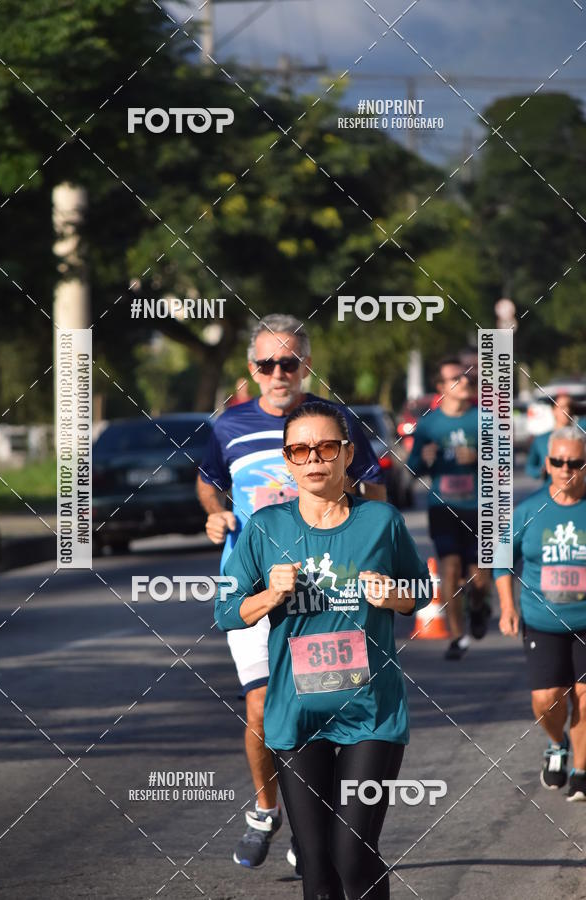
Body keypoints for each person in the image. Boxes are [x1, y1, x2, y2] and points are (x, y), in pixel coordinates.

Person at [215, 402, 432, 899]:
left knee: (352, 854)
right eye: (300, 450)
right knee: (316, 868)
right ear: (287, 461)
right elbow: (225, 611)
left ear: (348, 455)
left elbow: (421, 589)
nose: (314, 458)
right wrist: (269, 596)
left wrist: (394, 596)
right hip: (297, 715)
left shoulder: (380, 521)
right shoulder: (265, 528)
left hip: (370, 714)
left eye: (327, 447)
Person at [197, 314, 385, 869]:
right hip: (254, 584)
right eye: (267, 364)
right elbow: (209, 483)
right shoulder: (229, 426)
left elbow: (374, 488)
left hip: (326, 587)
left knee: (323, 708)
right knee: (261, 707)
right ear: (252, 369)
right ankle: (266, 810)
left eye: (289, 362)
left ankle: (313, 826)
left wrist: (362, 535)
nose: (278, 373)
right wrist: (215, 515)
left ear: (306, 365)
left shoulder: (335, 421)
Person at [496, 426, 586, 800]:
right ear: (547, 464)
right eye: (558, 461)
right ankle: (557, 743)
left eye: (575, 463)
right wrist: (507, 606)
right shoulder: (529, 511)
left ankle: (581, 772)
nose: (566, 469)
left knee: (584, 696)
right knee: (547, 699)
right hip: (542, 621)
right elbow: (501, 559)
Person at [407, 356, 491, 660]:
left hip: (479, 507)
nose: (465, 381)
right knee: (450, 568)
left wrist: (480, 458)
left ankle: (479, 606)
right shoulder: (429, 424)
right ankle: (457, 637)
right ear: (441, 386)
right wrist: (424, 459)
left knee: (480, 577)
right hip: (443, 507)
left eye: (468, 377)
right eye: (457, 377)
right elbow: (412, 469)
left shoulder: (484, 419)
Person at [525, 393, 577, 481]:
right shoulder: (540, 440)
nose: (567, 410)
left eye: (570, 407)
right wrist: (541, 471)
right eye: (562, 407)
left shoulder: (581, 439)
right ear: (553, 410)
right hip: (549, 487)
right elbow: (530, 467)